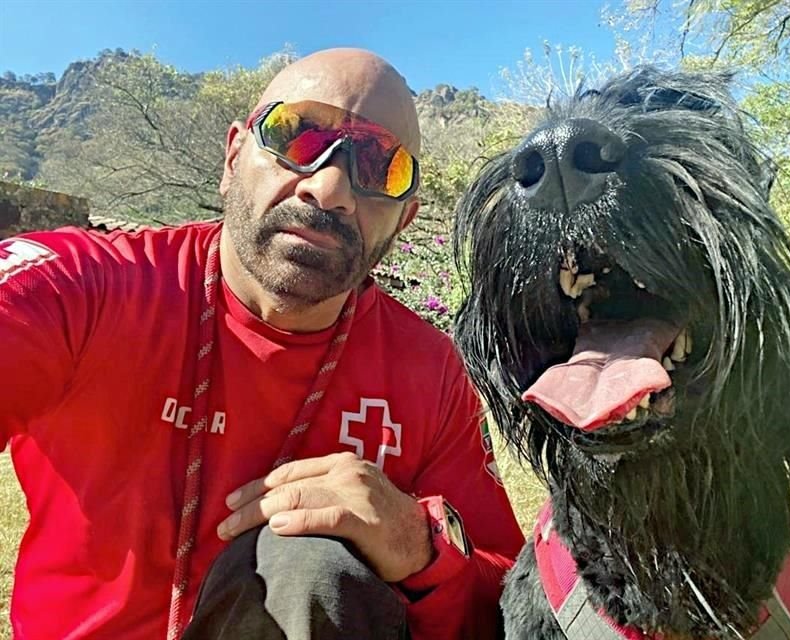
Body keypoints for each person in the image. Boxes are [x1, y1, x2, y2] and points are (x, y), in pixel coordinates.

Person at [0, 48, 524, 640]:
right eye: (297, 136)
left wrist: (416, 542)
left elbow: (505, 598)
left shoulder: (431, 372)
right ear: (232, 157)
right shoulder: (83, 290)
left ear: (404, 220)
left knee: (309, 564)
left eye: (380, 167)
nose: (329, 189)